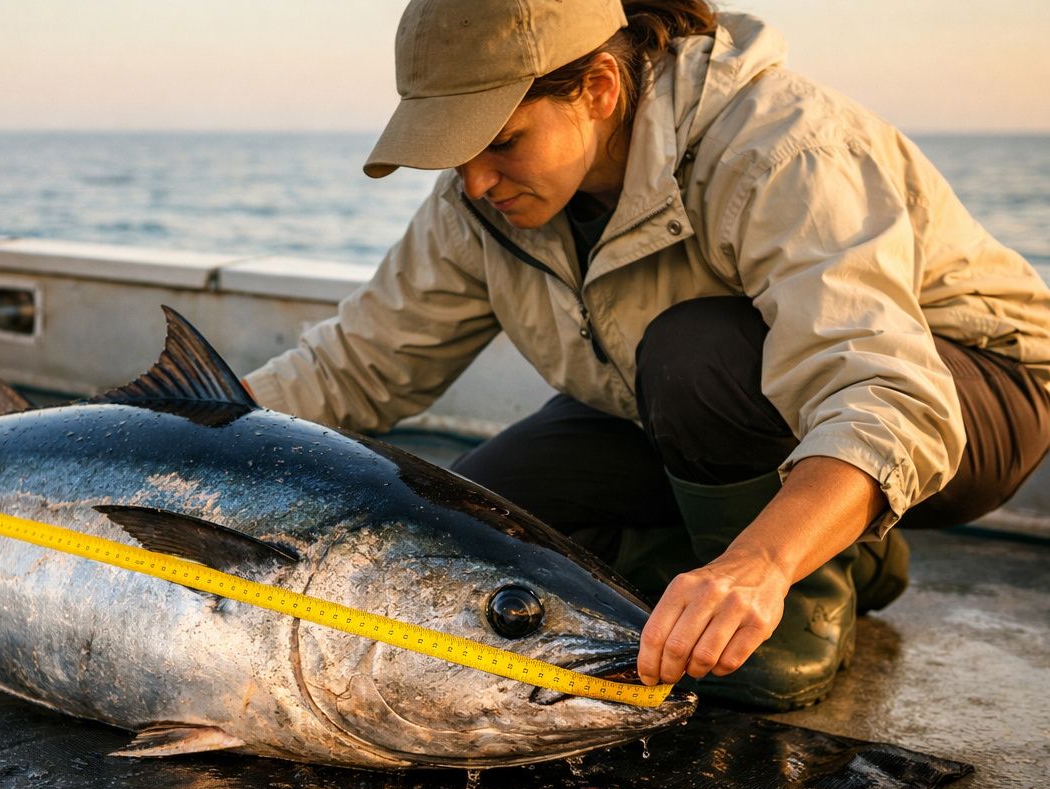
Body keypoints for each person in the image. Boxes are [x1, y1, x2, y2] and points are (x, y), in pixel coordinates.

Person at [243, 0, 1050, 710]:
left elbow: (888, 391)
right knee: (472, 521)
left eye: (501, 141)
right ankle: (843, 544)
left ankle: (793, 579)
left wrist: (761, 564)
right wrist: (168, 418)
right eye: (454, 151)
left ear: (598, 86)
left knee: (694, 350)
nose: (476, 181)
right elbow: (354, 364)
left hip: (971, 392)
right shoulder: (474, 201)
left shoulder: (779, 147)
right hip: (669, 407)